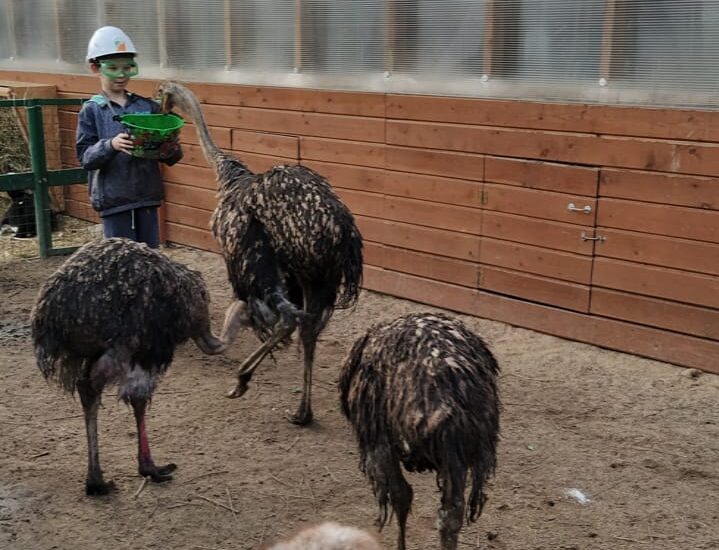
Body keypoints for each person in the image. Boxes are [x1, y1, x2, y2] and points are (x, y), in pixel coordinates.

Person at [76, 26, 182, 248]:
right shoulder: (93, 109)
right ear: (95, 68)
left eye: (127, 67)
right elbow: (85, 157)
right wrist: (110, 145)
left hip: (146, 195)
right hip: (113, 199)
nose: (122, 75)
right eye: (113, 68)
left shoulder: (147, 106)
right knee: (119, 258)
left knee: (150, 258)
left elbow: (172, 155)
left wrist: (168, 145)